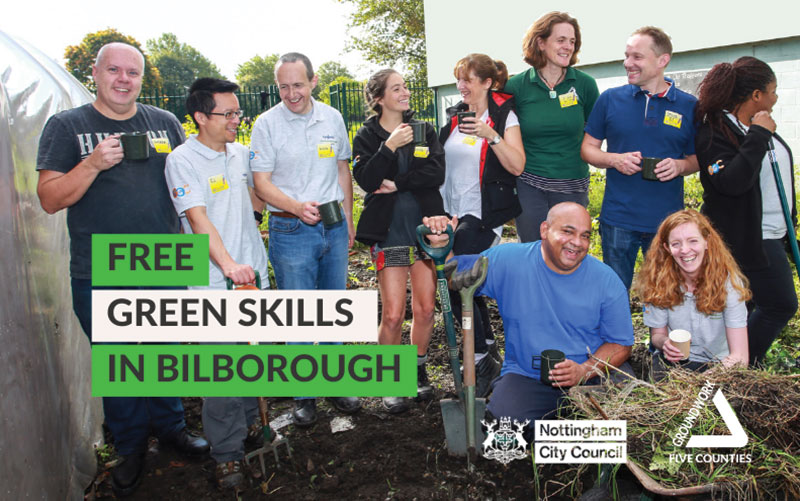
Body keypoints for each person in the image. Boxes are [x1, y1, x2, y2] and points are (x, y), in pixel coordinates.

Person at [35, 43, 208, 496]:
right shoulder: (68, 126)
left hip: (164, 259)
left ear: (142, 78)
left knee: (162, 350)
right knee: (118, 358)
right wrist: (92, 163)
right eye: (113, 69)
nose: (123, 79)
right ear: (95, 73)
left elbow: (185, 185)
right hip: (101, 265)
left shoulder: (164, 123)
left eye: (132, 71)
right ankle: (129, 446)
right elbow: (50, 198)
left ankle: (171, 426)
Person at [434, 203, 633, 432]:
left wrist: (584, 370)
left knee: (624, 427)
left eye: (585, 235)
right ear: (544, 230)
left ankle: (568, 436)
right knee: (504, 431)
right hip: (527, 376)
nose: (577, 242)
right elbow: (456, 276)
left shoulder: (606, 281)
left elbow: (622, 344)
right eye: (567, 231)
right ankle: (558, 432)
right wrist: (441, 247)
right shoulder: (508, 260)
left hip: (594, 376)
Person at [165, 78, 268, 489]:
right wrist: (227, 265)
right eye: (228, 114)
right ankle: (227, 455)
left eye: (238, 112)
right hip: (211, 280)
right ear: (200, 117)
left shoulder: (241, 153)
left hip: (250, 272)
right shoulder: (182, 160)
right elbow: (197, 218)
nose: (236, 120)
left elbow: (256, 198)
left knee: (251, 353)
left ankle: (249, 425)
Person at [249, 52, 360, 426]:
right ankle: (303, 396)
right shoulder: (266, 125)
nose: (291, 93)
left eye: (298, 85)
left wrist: (348, 217)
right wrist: (297, 207)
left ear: (313, 81)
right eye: (283, 87)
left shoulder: (332, 117)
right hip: (290, 228)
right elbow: (261, 182)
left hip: (333, 224)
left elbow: (342, 168)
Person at [351, 69, 446, 413]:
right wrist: (389, 147)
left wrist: (400, 182)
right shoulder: (367, 136)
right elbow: (367, 179)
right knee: (392, 314)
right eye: (397, 88)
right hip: (390, 232)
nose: (405, 92)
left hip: (424, 228)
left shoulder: (424, 130)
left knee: (423, 308)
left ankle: (417, 370)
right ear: (379, 99)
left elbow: (435, 173)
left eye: (405, 86)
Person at [694, 56, 797, 365]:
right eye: (773, 91)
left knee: (747, 307)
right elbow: (732, 182)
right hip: (749, 237)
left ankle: (737, 362)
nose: (776, 98)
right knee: (781, 304)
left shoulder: (752, 127)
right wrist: (760, 135)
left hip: (774, 234)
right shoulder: (716, 131)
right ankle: (740, 364)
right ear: (756, 96)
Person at [582, 26, 699, 290]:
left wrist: (680, 165)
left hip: (666, 224)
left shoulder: (689, 106)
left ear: (662, 60)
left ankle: (659, 334)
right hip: (617, 220)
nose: (627, 63)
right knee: (613, 294)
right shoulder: (610, 99)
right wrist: (614, 160)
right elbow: (588, 149)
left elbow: (697, 159)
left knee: (666, 295)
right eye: (626, 56)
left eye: (637, 57)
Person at [438, 54, 525, 397]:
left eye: (469, 80)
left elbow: (517, 165)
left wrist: (491, 134)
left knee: (457, 274)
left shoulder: (505, 117)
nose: (462, 87)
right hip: (451, 214)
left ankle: (478, 352)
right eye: (459, 80)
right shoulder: (452, 120)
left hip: (483, 213)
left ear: (488, 83)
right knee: (461, 282)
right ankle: (486, 348)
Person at [505, 12, 599, 242]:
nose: (568, 46)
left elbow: (594, 134)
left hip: (573, 186)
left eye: (572, 41)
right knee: (533, 251)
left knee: (568, 252)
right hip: (529, 185)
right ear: (541, 42)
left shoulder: (585, 85)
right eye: (561, 40)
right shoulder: (516, 86)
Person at [636, 210, 750, 379]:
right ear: (667, 248)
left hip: (720, 364)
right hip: (673, 363)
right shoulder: (657, 281)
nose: (685, 250)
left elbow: (740, 357)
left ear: (707, 242)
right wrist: (665, 343)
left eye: (693, 241)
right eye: (676, 244)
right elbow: (657, 335)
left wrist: (706, 381)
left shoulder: (729, 284)